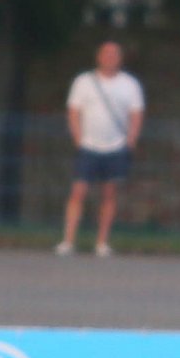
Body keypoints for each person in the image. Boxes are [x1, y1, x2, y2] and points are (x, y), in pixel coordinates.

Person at [55, 40, 145, 258]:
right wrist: (78, 138)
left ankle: (102, 242)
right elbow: (74, 111)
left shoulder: (129, 85)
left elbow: (136, 113)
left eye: (114, 54)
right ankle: (68, 240)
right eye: (106, 54)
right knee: (78, 191)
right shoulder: (84, 82)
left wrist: (131, 140)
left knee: (109, 193)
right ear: (98, 57)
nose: (110, 58)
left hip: (116, 146)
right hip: (88, 145)